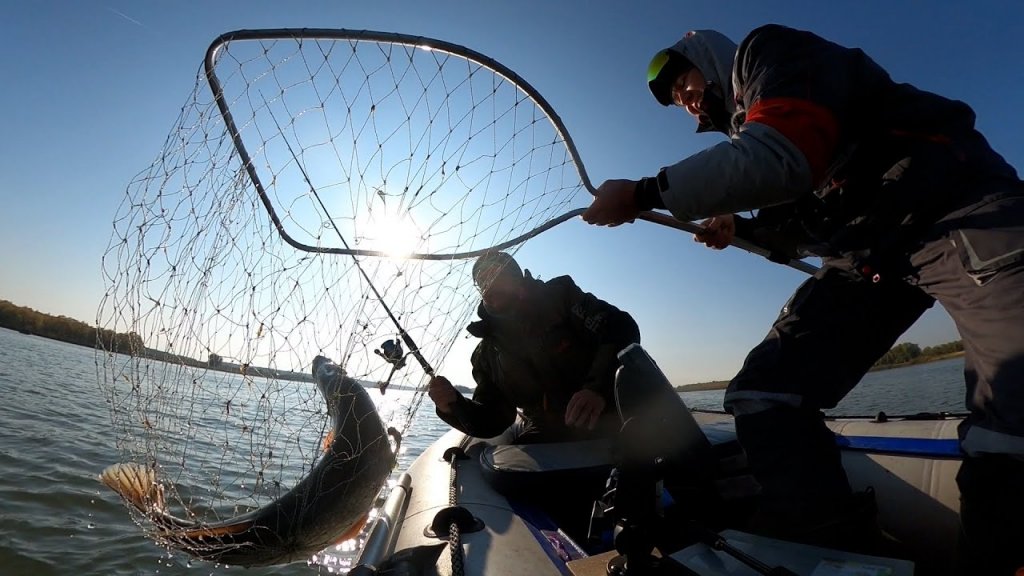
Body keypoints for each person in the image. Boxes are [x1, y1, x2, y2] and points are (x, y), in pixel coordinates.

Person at [581, 24, 1024, 574]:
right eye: (675, 99)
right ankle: (831, 547)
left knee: (1010, 430)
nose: (684, 98)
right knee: (763, 394)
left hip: (961, 215)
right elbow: (791, 214)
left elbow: (783, 156)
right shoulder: (754, 138)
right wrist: (739, 228)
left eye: (683, 80)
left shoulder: (770, 54)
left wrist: (644, 193)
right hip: (871, 259)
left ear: (710, 59)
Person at [427, 251, 641, 444]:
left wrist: (596, 389)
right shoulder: (486, 354)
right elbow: (494, 419)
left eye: (496, 274)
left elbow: (620, 327)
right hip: (549, 433)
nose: (489, 284)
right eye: (481, 281)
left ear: (516, 279)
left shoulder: (561, 298)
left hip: (620, 415)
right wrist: (453, 405)